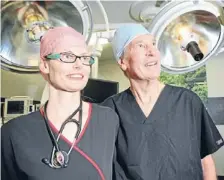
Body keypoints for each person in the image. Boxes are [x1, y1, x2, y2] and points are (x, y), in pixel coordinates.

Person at [101, 24, 224, 180]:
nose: (152, 52)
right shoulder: (109, 111)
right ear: (123, 62)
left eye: (153, 44)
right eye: (141, 46)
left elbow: (206, 162)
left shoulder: (188, 102)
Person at [1, 26, 119, 180]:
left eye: (84, 58)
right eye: (67, 56)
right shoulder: (14, 133)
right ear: (44, 65)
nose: (79, 65)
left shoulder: (108, 120)